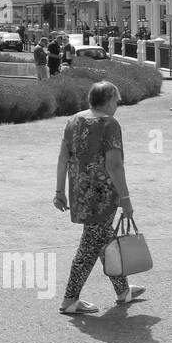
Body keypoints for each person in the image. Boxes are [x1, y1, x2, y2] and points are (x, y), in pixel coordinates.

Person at [54, 80, 144, 314]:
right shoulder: (109, 124)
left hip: (80, 195)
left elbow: (63, 158)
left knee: (104, 241)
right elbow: (114, 165)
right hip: (103, 197)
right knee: (89, 248)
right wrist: (125, 199)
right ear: (107, 100)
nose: (118, 105)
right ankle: (69, 299)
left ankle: (123, 291)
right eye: (116, 100)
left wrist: (59, 191)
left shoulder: (73, 121)